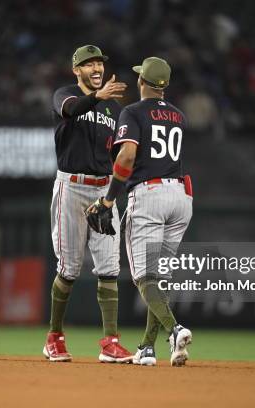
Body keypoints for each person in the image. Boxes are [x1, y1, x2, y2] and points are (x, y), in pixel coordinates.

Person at [87, 57, 194, 366]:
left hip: (149, 195)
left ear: (141, 81)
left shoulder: (132, 112)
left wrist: (108, 200)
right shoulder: (178, 116)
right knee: (158, 279)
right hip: (180, 197)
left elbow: (128, 155)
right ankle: (147, 348)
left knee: (144, 278)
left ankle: (174, 330)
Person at [43, 45, 134, 363]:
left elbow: (118, 155)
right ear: (76, 70)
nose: (96, 68)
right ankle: (54, 337)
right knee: (68, 268)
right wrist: (99, 97)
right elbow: (71, 110)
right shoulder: (64, 94)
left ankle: (110, 342)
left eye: (99, 63)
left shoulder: (112, 109)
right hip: (71, 187)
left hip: (102, 191)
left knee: (110, 267)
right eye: (89, 64)